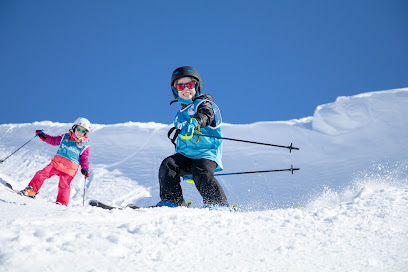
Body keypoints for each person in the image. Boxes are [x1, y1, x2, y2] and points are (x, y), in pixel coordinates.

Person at [157, 66, 229, 209]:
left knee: (201, 170)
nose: (186, 89)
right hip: (187, 155)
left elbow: (206, 114)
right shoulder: (178, 116)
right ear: (175, 90)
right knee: (168, 164)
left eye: (190, 85)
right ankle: (173, 201)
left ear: (197, 86)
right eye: (180, 86)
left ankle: (217, 204)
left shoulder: (203, 103)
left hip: (206, 153)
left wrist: (196, 122)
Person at [20, 117, 91, 206]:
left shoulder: (85, 146)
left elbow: (84, 159)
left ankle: (62, 203)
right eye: (78, 129)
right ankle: (32, 190)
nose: (80, 132)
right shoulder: (65, 137)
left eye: (83, 131)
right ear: (74, 128)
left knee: (64, 185)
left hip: (70, 169)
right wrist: (44, 136)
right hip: (56, 164)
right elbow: (53, 140)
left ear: (85, 133)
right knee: (42, 174)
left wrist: (85, 169)